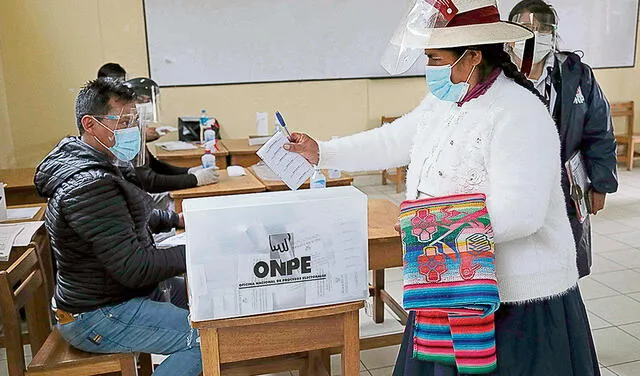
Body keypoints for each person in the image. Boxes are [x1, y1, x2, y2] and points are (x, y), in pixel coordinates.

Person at [285, 1, 599, 374]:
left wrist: (428, 231)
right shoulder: (443, 102)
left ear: (472, 57)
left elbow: (521, 214)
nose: (429, 69)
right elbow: (392, 140)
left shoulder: (518, 113)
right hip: (451, 280)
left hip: (514, 299)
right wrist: (323, 151)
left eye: (435, 58)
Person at [34, 78, 202, 376]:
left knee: (203, 298)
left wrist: (174, 220)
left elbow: (124, 217)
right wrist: (199, 248)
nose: (132, 130)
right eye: (123, 121)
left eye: (134, 120)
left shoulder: (99, 163)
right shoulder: (89, 184)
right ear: (90, 124)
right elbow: (135, 267)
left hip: (118, 293)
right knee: (206, 339)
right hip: (98, 314)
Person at [507, 0, 618, 278]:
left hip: (565, 190)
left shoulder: (577, 75)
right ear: (509, 37)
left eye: (542, 29)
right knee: (517, 271)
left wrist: (601, 185)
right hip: (512, 190)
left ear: (553, 35)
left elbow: (600, 134)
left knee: (562, 268)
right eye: (525, 28)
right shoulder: (495, 77)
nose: (534, 34)